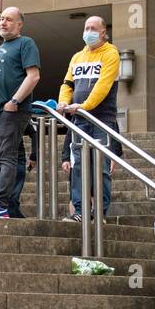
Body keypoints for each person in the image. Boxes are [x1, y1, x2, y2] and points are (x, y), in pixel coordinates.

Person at [0, 6, 40, 218]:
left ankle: (0, 203)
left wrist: (14, 101)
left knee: (6, 157)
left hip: (11, 111)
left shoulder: (26, 43)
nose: (3, 23)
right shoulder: (0, 48)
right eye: (1, 19)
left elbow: (33, 76)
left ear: (19, 24)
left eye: (9, 20)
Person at [57, 15, 120, 222]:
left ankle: (99, 212)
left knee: (101, 169)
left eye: (93, 28)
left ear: (103, 32)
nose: (88, 32)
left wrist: (84, 106)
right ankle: (79, 211)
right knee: (79, 168)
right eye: (86, 28)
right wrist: (63, 103)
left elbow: (103, 85)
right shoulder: (77, 57)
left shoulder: (111, 53)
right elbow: (67, 84)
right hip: (79, 120)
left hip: (102, 119)